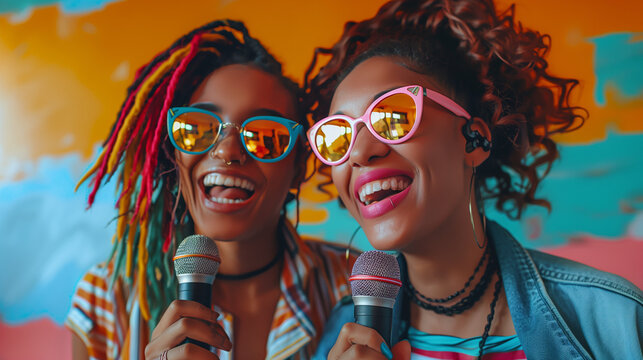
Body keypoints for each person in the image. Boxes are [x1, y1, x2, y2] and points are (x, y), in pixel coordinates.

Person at [303, 0, 643, 359]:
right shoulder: (343, 340)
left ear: (473, 140)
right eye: (337, 135)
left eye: (393, 116)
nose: (359, 152)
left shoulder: (611, 321)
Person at [65, 20, 357, 360]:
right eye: (198, 129)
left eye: (266, 136)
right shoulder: (106, 300)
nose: (228, 151)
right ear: (173, 154)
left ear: (298, 168)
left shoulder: (354, 286)